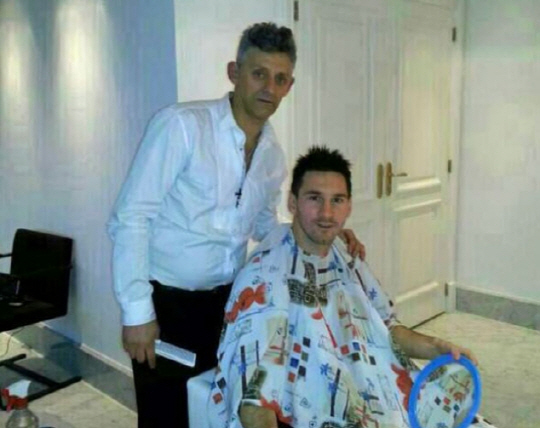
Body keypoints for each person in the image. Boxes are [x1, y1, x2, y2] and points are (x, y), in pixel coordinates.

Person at [107, 24, 364, 427]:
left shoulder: (272, 155)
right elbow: (131, 217)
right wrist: (137, 312)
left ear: (289, 86)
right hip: (167, 305)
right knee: (166, 415)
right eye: (259, 73)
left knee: (216, 409)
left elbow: (264, 226)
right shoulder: (182, 126)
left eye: (280, 79)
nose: (269, 88)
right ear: (234, 72)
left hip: (231, 304)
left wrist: (321, 229)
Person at [210, 146, 497, 428]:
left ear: (349, 206)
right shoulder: (266, 277)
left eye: (337, 200)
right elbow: (252, 395)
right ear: (293, 203)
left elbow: (386, 328)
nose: (326, 213)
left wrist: (436, 347)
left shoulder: (346, 256)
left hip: (385, 400)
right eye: (314, 198)